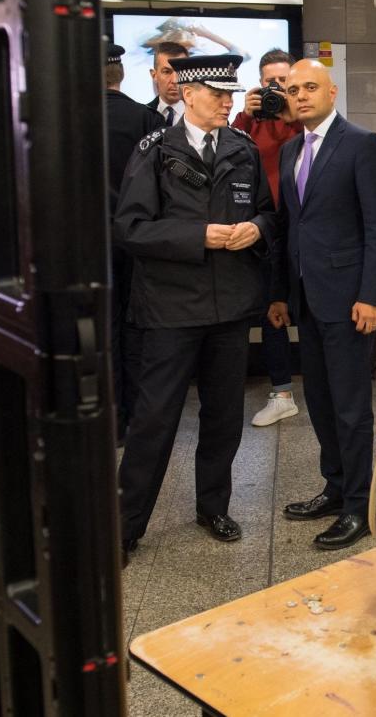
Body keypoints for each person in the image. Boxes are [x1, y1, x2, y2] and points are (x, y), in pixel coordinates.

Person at [114, 54, 275, 563]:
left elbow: (270, 214)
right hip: (170, 309)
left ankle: (213, 507)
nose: (229, 101)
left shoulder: (242, 148)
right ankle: (125, 526)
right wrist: (197, 235)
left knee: (224, 416)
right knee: (154, 419)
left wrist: (258, 230)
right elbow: (131, 228)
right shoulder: (156, 150)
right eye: (217, 93)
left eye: (231, 93)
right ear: (187, 94)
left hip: (229, 307)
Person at [269, 59, 376, 550]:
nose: (301, 96)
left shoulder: (362, 145)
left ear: (332, 91)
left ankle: (359, 508)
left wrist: (371, 296)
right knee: (319, 402)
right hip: (306, 297)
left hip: (349, 302)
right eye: (292, 88)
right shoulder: (289, 151)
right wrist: (279, 292)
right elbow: (287, 227)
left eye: (310, 87)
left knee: (349, 406)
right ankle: (335, 487)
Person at [232, 49, 304, 427]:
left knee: (307, 305)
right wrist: (245, 113)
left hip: (300, 226)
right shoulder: (249, 121)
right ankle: (281, 391)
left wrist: (290, 112)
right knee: (269, 309)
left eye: (284, 82)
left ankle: (320, 384)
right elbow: (229, 156)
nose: (277, 89)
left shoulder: (302, 118)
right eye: (270, 83)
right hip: (262, 226)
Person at [104, 42, 164, 441]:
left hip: (87, 246)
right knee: (136, 329)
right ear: (121, 74)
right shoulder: (145, 119)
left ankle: (109, 416)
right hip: (138, 241)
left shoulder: (67, 117)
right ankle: (136, 419)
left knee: (100, 329)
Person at [145, 41, 189, 127]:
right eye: (167, 72)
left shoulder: (202, 116)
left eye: (180, 72)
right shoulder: (143, 115)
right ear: (154, 75)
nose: (175, 80)